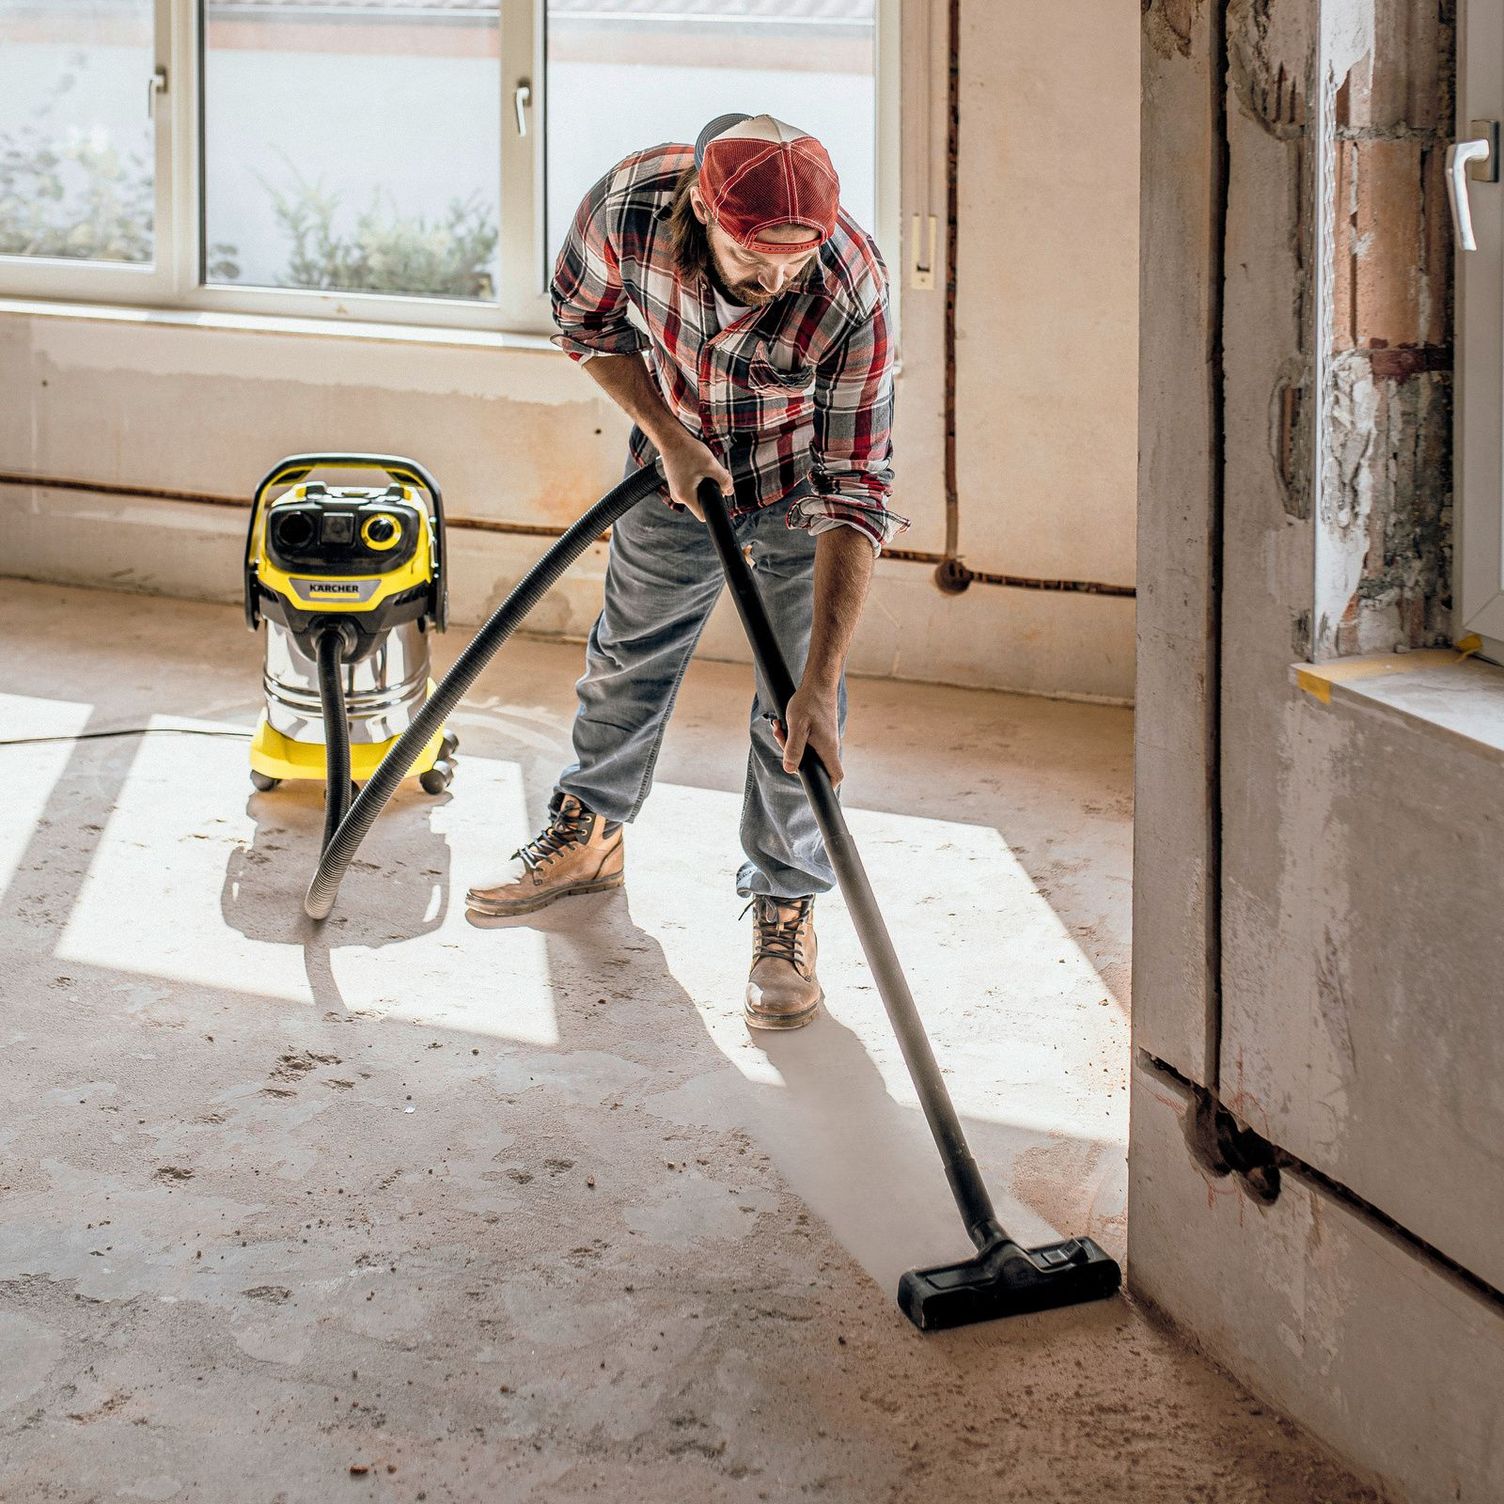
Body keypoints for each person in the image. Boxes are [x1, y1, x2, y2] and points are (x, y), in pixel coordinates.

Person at [466, 112, 904, 1031]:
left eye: (799, 255)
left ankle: (786, 905)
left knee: (793, 709)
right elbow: (581, 323)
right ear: (703, 205)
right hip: (674, 471)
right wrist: (669, 438)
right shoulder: (627, 210)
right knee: (628, 656)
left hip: (800, 491)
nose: (780, 277)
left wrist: (821, 683)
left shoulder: (850, 288)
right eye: (757, 253)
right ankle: (589, 833)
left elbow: (857, 487)